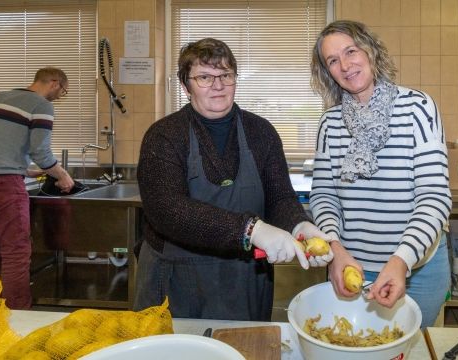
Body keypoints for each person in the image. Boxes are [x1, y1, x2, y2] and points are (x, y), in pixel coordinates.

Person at [135, 38, 332, 321]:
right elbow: (167, 210)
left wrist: (300, 225)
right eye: (204, 77)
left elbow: (280, 198)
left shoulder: (261, 132)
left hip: (244, 277)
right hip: (177, 279)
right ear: (185, 86)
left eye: (225, 75)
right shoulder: (164, 135)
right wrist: (251, 230)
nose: (218, 85)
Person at [309, 20, 452, 328]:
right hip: (352, 268)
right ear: (327, 71)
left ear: (370, 51)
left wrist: (401, 259)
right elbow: (323, 196)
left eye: (351, 51)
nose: (345, 65)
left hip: (417, 269)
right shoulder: (329, 123)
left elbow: (434, 196)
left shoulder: (418, 108)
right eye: (333, 60)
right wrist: (334, 250)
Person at [0, 67, 74, 309]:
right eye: (62, 92)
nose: (59, 97)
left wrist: (24, 169)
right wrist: (62, 175)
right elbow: (41, 152)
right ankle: (18, 319)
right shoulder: (40, 105)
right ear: (54, 82)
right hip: (5, 189)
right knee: (15, 254)